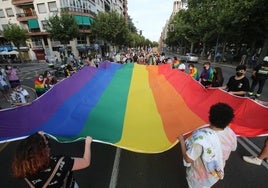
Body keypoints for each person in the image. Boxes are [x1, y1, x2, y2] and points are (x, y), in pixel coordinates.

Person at [178, 103, 237, 188]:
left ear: (210, 117)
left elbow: (188, 159)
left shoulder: (202, 138)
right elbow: (233, 148)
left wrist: (182, 141)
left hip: (198, 177)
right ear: (228, 122)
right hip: (216, 171)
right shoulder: (231, 133)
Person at [12, 132, 92, 187]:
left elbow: (31, 147)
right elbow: (85, 161)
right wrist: (88, 143)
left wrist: (38, 137)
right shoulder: (61, 162)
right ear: (43, 152)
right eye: (46, 144)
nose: (48, 145)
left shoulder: (24, 168)